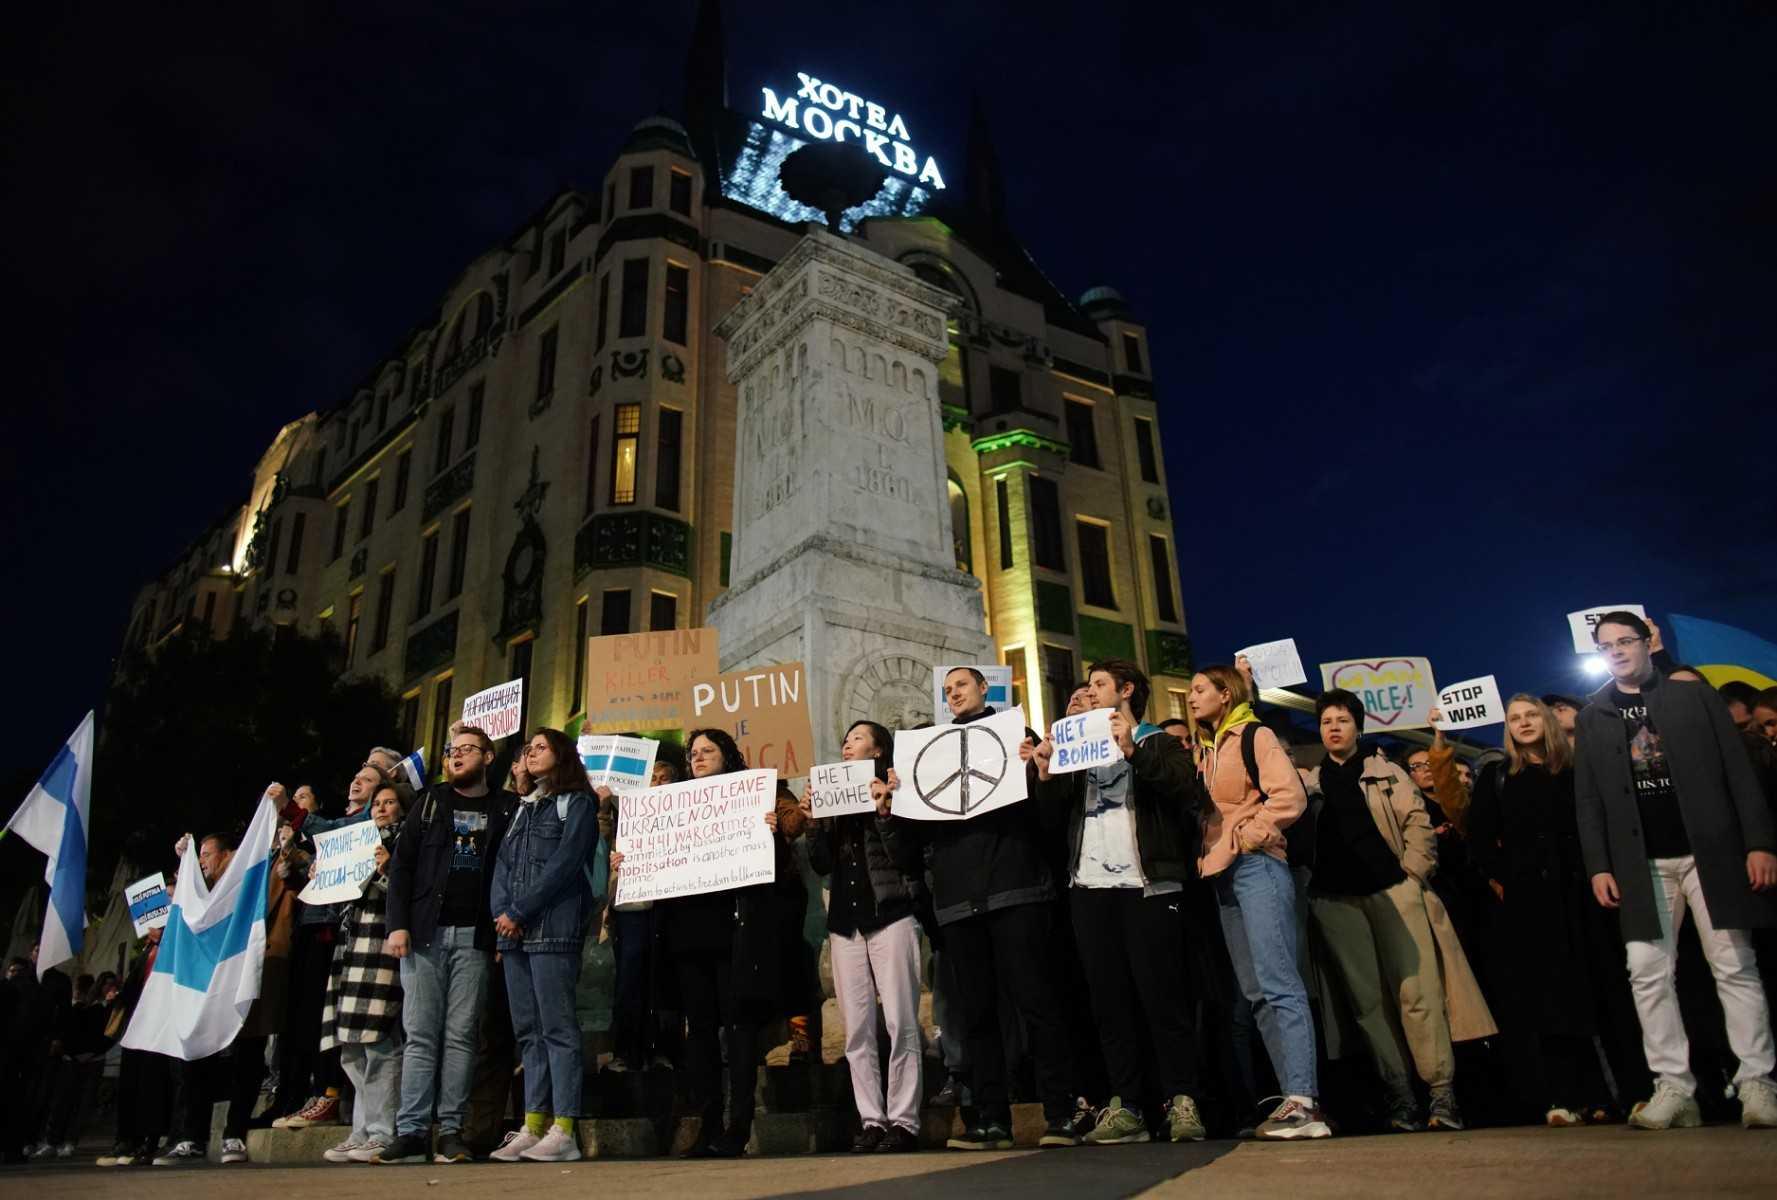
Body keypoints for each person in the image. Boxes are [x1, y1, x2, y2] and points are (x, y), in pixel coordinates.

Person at [1573, 611, 1777, 1130]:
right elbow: (1589, 800)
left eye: (1626, 641)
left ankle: (1757, 1082)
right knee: (1646, 973)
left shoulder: (1692, 696)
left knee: (1734, 965)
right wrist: (1599, 865)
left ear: (1648, 643)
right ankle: (1673, 1088)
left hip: (1710, 854)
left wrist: (1758, 842)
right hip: (1641, 865)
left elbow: (1738, 771)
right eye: (1606, 645)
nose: (1617, 651)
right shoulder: (1594, 714)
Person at [888, 667, 1080, 1151]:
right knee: (976, 1016)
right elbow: (910, 850)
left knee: (1038, 1005)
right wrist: (893, 805)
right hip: (957, 903)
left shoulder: (1020, 736)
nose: (953, 694)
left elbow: (1048, 820)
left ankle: (1060, 1114)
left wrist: (1039, 772)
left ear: (984, 690)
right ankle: (989, 1120)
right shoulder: (926, 756)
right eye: (947, 690)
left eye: (961, 686)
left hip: (1016, 891)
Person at [1299, 688, 1496, 1133]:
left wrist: (1412, 873)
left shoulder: (1386, 772)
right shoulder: (1310, 782)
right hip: (1336, 902)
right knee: (1369, 1006)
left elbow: (1417, 824)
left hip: (1393, 891)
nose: (1333, 727)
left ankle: (1441, 1094)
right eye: (1327, 720)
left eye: (1343, 720)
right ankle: (1400, 1096)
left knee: (1417, 995)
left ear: (1358, 727)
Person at [1032, 659, 1208, 1145]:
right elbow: (1052, 824)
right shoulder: (1077, 751)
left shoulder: (1159, 742)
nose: (1089, 693)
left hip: (1148, 887)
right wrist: (1046, 777)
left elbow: (1184, 791)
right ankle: (1126, 1105)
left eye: (1099, 685)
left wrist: (1132, 751)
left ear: (1126, 691)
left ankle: (1181, 1100)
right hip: (1089, 889)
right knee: (1110, 1005)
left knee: (1163, 999)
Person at [1467, 695, 1648, 1125]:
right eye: (1515, 718)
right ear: (1507, 728)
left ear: (1547, 720)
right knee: (1550, 1003)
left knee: (1607, 996)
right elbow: (1480, 839)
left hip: (1587, 896)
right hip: (1532, 906)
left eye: (1532, 715)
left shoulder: (1576, 768)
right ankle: (1569, 1096)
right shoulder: (1498, 776)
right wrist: (1506, 880)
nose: (1525, 723)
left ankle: (1633, 1092)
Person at [615, 728, 781, 1158]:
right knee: (701, 1036)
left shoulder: (749, 800)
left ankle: (738, 1126)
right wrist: (628, 858)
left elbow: (773, 875)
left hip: (734, 934)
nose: (698, 758)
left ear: (727, 755)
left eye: (708, 751)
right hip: (686, 937)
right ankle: (707, 1125)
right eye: (693, 753)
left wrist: (772, 834)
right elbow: (650, 864)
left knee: (739, 1032)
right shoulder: (672, 807)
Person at [1188, 665, 1328, 1140]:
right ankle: (1292, 1098)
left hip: (1258, 867)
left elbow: (1289, 797)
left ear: (1226, 695)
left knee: (1280, 983)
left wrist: (1251, 834)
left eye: (1199, 689)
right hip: (1223, 875)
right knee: (1256, 993)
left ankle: (1305, 1102)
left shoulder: (1254, 735)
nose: (1190, 698)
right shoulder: (1207, 748)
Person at [376, 724, 512, 1164]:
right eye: (453, 750)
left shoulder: (505, 807)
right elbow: (403, 868)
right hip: (425, 936)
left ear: (488, 758)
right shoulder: (431, 802)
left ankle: (450, 1131)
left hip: (475, 938)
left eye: (468, 749)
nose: (457, 756)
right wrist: (397, 925)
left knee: (460, 1037)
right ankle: (412, 1130)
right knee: (420, 1036)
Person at [804, 720, 923, 1153]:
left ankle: (904, 1121)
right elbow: (820, 865)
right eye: (845, 740)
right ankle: (871, 1119)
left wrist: (886, 810)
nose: (847, 744)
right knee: (857, 1029)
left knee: (901, 1021)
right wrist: (816, 823)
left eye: (857, 738)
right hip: (846, 924)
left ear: (878, 750)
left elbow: (906, 856)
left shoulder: (897, 789)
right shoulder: (834, 798)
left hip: (889, 916)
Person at [485, 728, 600, 1163]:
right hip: (513, 934)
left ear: (562, 755)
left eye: (540, 747)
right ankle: (533, 1125)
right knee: (528, 1032)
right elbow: (502, 864)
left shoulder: (579, 804)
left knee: (557, 1028)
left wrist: (521, 911)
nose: (530, 753)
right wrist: (503, 915)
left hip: (552, 927)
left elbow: (565, 864)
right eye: (527, 749)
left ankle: (565, 1129)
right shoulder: (522, 808)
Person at [156, 822, 298, 1166]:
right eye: (200, 856)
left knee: (246, 1057)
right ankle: (191, 1137)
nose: (203, 861)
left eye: (206, 855)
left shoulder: (258, 877)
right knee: (197, 1057)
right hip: (207, 982)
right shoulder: (204, 888)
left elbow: (286, 875)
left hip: (248, 978)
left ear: (228, 855)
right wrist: (186, 860)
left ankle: (234, 1134)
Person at [276, 765, 385, 1131]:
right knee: (315, 1017)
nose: (356, 781)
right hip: (320, 925)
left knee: (341, 1020)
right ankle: (314, 1091)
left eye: (368, 779)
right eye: (355, 776)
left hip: (343, 931)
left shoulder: (363, 826)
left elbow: (323, 829)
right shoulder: (343, 826)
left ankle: (331, 1094)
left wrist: (289, 808)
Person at [319, 782, 408, 1163]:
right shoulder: (356, 843)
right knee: (350, 1049)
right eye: (377, 804)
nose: (381, 809)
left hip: (382, 948)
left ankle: (384, 1132)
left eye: (390, 803)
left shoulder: (405, 843)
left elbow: (408, 896)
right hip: (350, 949)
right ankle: (361, 1131)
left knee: (380, 1045)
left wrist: (387, 867)